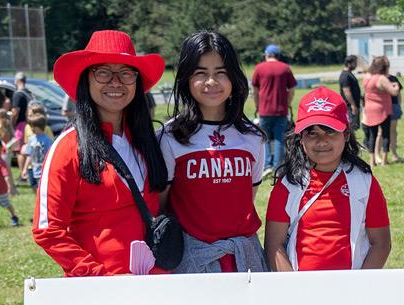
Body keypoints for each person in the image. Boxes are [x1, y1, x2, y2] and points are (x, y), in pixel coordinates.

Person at [33, 29, 168, 276]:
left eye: (126, 73)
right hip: (99, 289)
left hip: (158, 284)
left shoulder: (148, 141)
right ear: (86, 79)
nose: (116, 82)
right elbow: (48, 230)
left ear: (136, 82)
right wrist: (99, 278)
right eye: (103, 72)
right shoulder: (67, 147)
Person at [159, 30, 268, 275]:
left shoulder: (253, 137)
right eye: (201, 73)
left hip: (245, 258)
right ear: (186, 79)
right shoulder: (170, 137)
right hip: (191, 260)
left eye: (221, 72)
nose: (211, 82)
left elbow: (247, 198)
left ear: (234, 77)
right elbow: (162, 206)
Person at [265, 87, 391, 272]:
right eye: (312, 133)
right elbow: (273, 246)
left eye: (330, 131)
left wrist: (360, 283)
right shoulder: (288, 185)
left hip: (352, 286)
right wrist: (292, 286)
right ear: (301, 138)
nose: (321, 141)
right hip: (300, 287)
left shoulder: (364, 183)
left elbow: (381, 243)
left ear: (346, 134)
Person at [251, 44, 297, 174]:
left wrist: (257, 105)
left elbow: (255, 91)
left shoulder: (259, 68)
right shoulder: (285, 68)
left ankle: (267, 165)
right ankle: (277, 167)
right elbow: (292, 90)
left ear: (267, 55)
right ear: (278, 55)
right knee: (279, 138)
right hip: (281, 110)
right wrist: (287, 103)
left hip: (264, 110)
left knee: (264, 138)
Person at [362, 56, 400, 166]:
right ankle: (384, 160)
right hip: (383, 109)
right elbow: (394, 92)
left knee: (372, 135)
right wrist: (396, 86)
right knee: (385, 134)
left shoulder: (367, 77)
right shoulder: (381, 78)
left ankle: (372, 161)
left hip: (370, 109)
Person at [20, 114, 53, 189]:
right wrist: (25, 169)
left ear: (40, 126)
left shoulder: (47, 140)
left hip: (44, 171)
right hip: (33, 169)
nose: (31, 129)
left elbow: (51, 155)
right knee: (34, 187)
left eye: (33, 126)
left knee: (43, 188)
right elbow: (29, 155)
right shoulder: (31, 139)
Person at [339, 55, 363, 130]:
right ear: (349, 63)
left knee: (355, 127)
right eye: (355, 63)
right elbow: (347, 92)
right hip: (349, 106)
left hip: (353, 105)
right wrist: (353, 105)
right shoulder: (345, 76)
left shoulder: (349, 74)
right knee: (351, 127)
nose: (356, 65)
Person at [11, 71, 32, 144]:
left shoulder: (18, 95)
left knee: (19, 147)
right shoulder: (29, 93)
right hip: (30, 125)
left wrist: (12, 124)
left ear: (18, 81)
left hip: (21, 126)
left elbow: (15, 112)